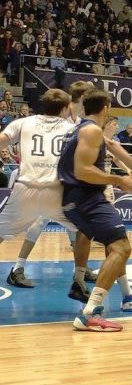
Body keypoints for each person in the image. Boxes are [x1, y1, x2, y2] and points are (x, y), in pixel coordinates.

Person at [58, 90, 132, 331]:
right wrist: (119, 180)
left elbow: (112, 148)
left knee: (115, 245)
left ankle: (97, 292)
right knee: (121, 247)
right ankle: (90, 312)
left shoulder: (78, 129)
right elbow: (82, 170)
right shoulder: (92, 130)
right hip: (87, 198)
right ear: (106, 108)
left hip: (75, 198)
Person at [0, 90, 81, 288]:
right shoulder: (74, 128)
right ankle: (80, 277)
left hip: (25, 189)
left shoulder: (23, 122)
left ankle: (19, 269)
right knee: (83, 231)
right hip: (56, 191)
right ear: (65, 108)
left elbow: (2, 140)